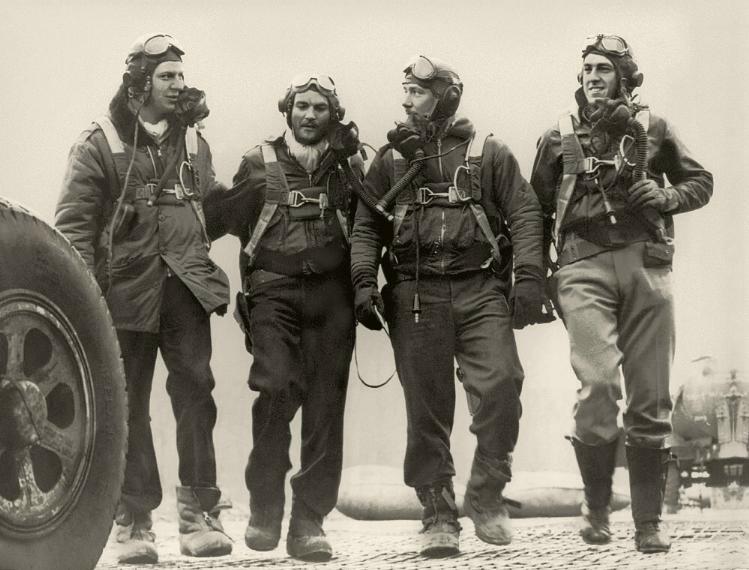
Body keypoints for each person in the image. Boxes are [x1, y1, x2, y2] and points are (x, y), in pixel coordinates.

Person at [350, 55, 550, 558]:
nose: (406, 101)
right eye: (405, 91)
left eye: (416, 92)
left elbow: (525, 213)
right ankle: (437, 511)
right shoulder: (391, 161)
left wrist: (529, 277)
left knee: (502, 382)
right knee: (426, 407)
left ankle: (487, 489)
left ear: (446, 97)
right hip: (415, 292)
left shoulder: (488, 152)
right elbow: (366, 226)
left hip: (480, 287)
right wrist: (363, 282)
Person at [530, 34, 713, 553]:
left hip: (647, 264)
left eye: (604, 69)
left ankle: (648, 523)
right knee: (597, 385)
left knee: (651, 396)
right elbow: (533, 213)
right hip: (581, 264)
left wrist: (666, 195)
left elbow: (701, 182)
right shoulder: (558, 136)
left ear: (625, 78)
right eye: (587, 68)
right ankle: (596, 504)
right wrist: (532, 278)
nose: (593, 77)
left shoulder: (654, 128)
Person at [55, 33, 232, 564]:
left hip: (185, 290)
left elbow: (209, 211)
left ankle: (200, 515)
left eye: (181, 75)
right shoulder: (99, 142)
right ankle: (133, 520)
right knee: (128, 404)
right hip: (123, 294)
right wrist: (87, 302)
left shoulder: (194, 143)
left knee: (196, 393)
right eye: (166, 76)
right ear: (139, 83)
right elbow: (74, 227)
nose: (178, 85)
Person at [203, 74, 363, 562]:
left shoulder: (349, 164)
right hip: (273, 293)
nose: (309, 115)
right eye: (301, 106)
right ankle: (266, 504)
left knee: (326, 408)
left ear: (333, 116)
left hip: (333, 297)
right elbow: (214, 220)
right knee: (275, 388)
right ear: (287, 111)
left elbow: (375, 223)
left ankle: (309, 521)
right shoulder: (259, 162)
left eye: (319, 107)